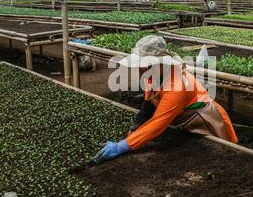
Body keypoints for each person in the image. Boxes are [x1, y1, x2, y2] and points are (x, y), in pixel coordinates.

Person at [93, 35, 238, 164]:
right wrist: (135, 128)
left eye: (144, 65)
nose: (140, 69)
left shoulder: (176, 87)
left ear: (160, 63)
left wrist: (123, 146)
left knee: (223, 156)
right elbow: (149, 102)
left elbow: (159, 122)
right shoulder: (152, 75)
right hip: (185, 120)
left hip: (205, 120)